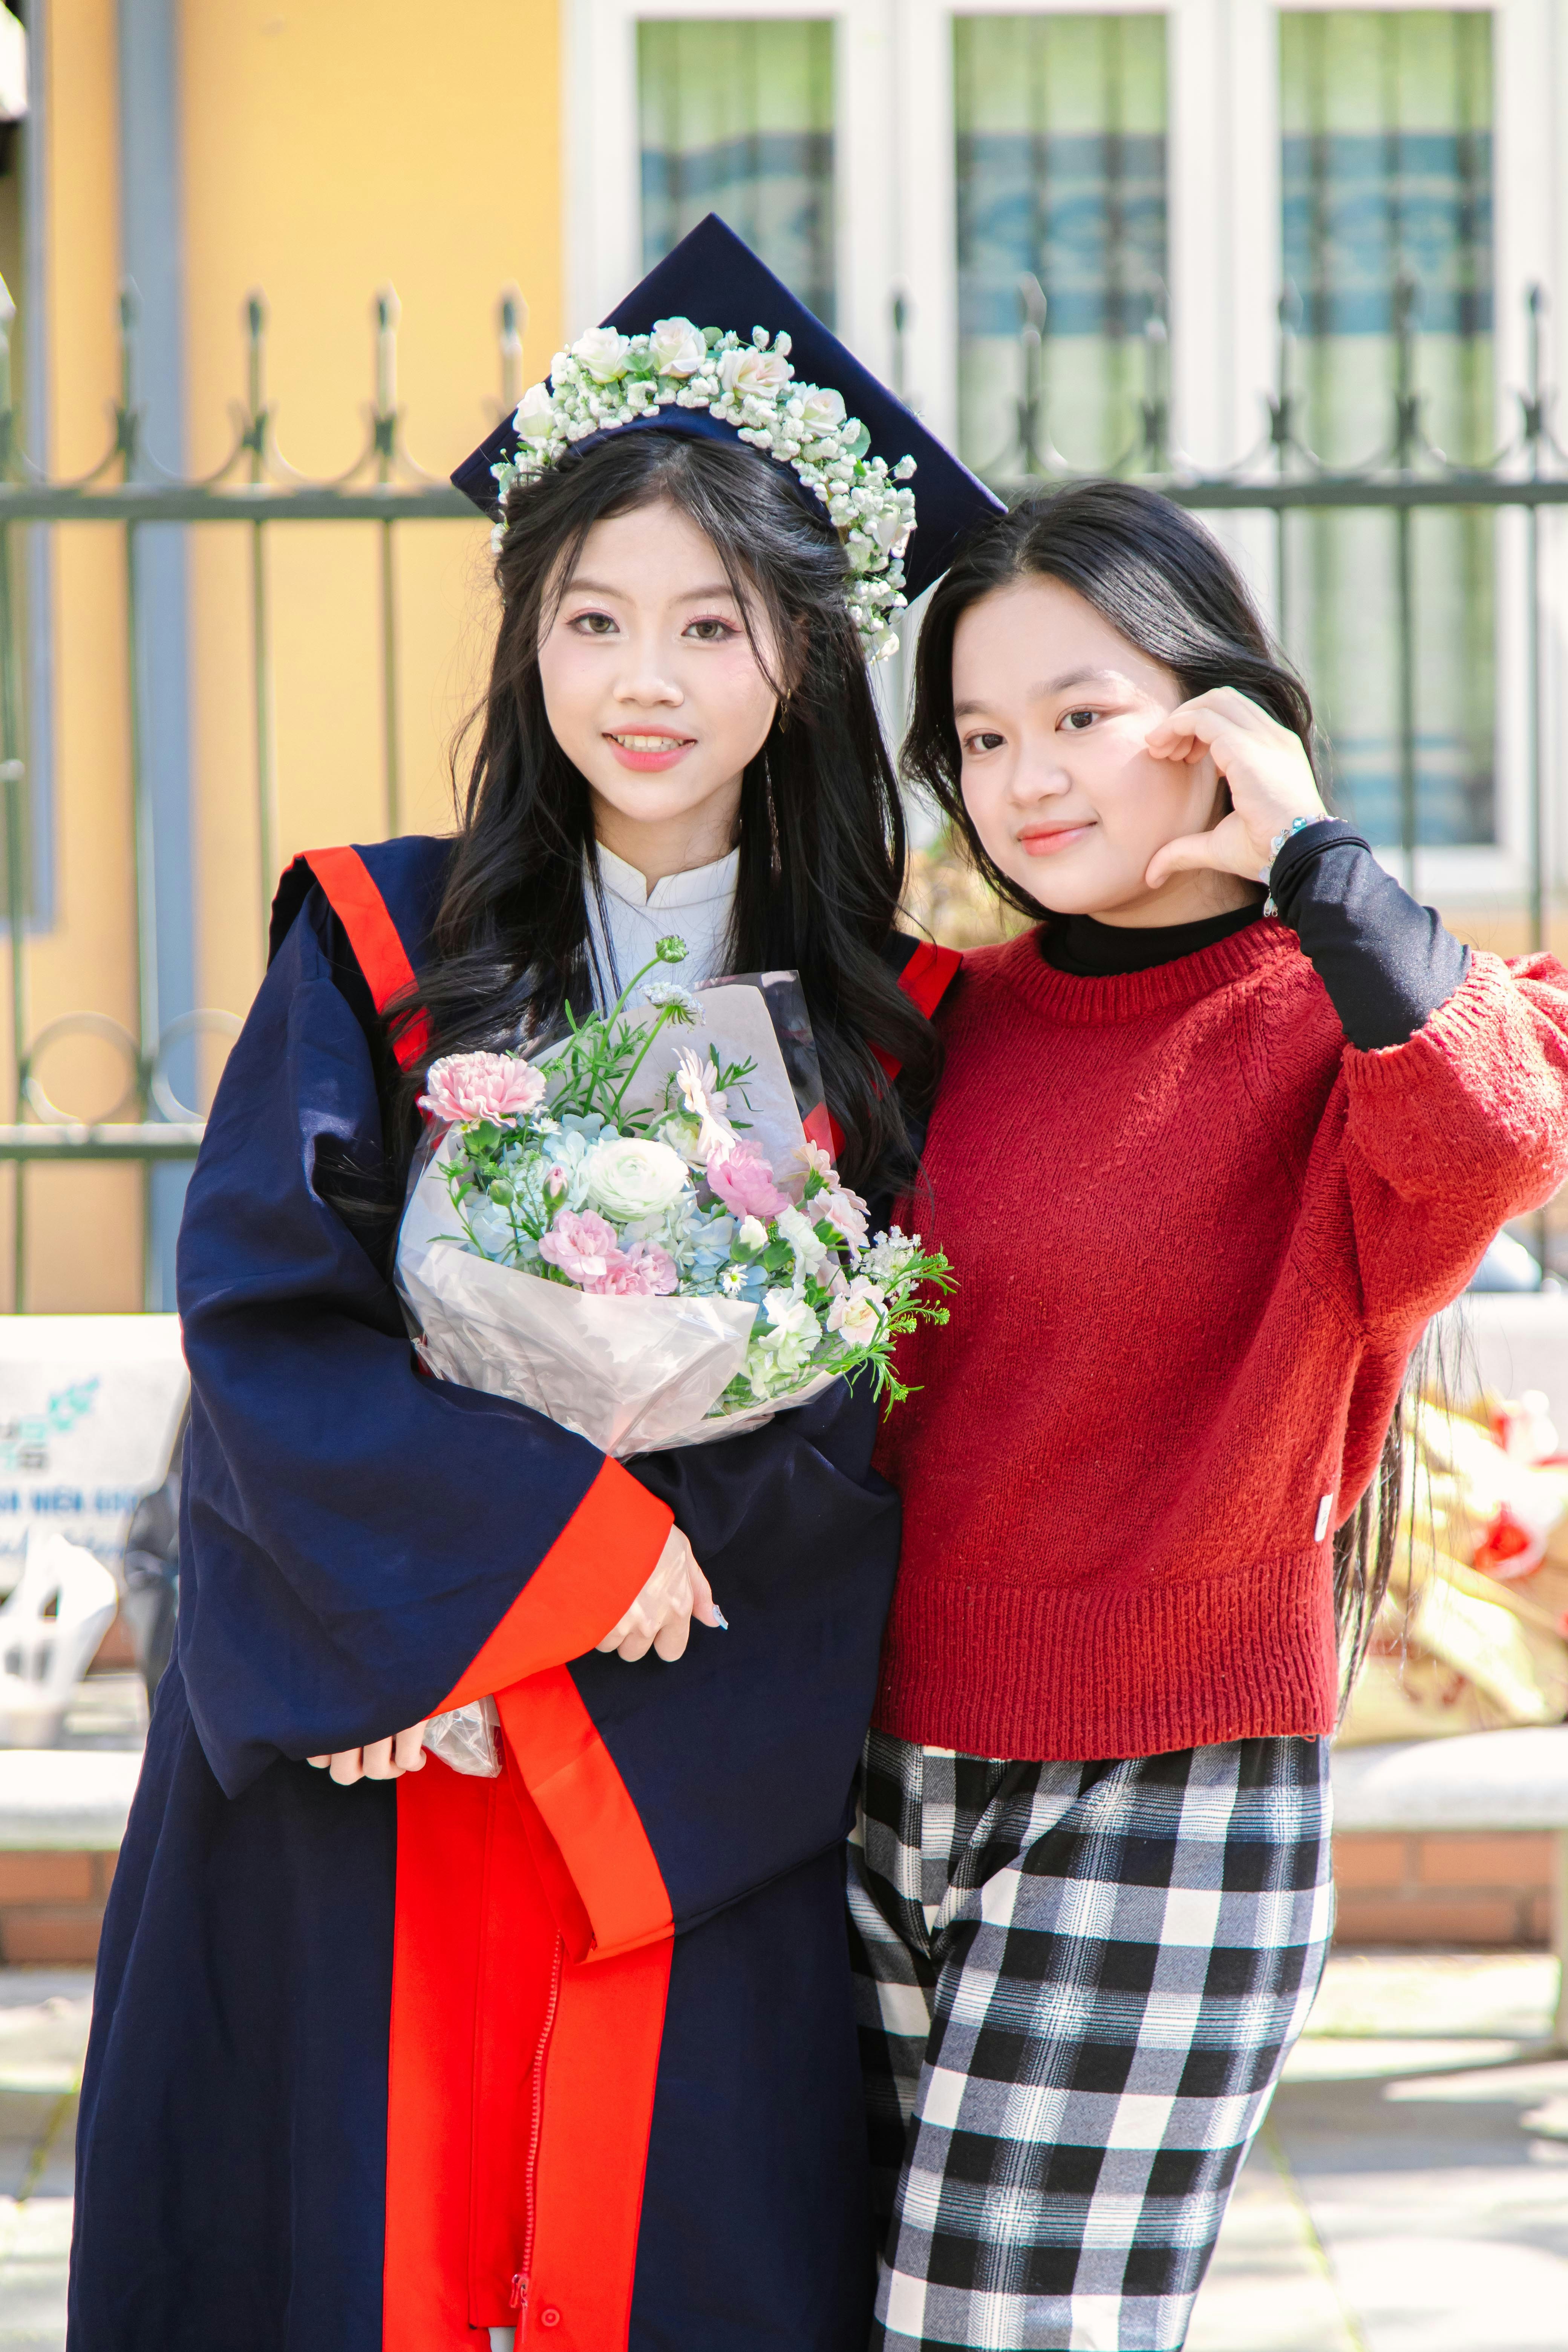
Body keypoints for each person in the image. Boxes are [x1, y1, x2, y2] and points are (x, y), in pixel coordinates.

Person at [68, 217, 999, 2352]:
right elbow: (267, 1317)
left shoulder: (907, 1028)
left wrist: (603, 1601)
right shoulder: (374, 948)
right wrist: (512, 1581)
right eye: (592, 617)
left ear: (808, 655)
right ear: (528, 642)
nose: (646, 681)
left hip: (693, 1771)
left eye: (712, 621)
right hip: (381, 1746)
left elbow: (892, 1405)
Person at [854, 479, 1568, 2352]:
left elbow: (1500, 1138)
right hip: (866, 1774)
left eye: (1082, 716)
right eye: (981, 738)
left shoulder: (1346, 1030)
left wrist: (1309, 844)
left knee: (993, 2335)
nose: (1024, 779)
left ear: (1216, 718)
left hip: (1165, 1782)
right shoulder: (945, 1019)